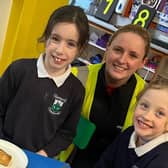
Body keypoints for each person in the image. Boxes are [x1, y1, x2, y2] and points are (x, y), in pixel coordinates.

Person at [0, 5, 89, 157]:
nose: (60, 50)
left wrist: (44, 153)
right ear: (46, 37)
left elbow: (66, 133)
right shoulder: (18, 69)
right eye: (55, 39)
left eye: (70, 44)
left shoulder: (76, 90)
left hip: (37, 158)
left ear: (79, 49)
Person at [68, 24, 151, 167]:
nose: (122, 60)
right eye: (118, 50)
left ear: (142, 63)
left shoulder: (148, 97)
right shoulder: (76, 77)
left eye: (133, 55)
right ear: (108, 48)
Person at [95, 76, 168, 168]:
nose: (146, 116)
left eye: (160, 113)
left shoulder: (163, 160)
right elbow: (104, 162)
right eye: (144, 105)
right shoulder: (129, 133)